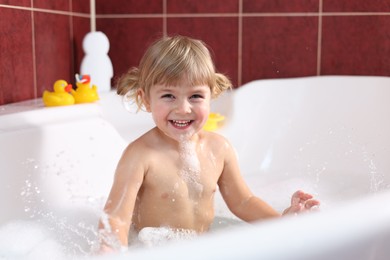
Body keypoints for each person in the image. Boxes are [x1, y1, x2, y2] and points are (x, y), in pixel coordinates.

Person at [98, 35, 319, 252]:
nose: (183, 108)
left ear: (211, 95)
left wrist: (281, 222)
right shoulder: (140, 155)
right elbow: (116, 218)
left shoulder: (219, 149)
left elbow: (243, 201)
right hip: (155, 250)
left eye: (195, 96)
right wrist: (111, 251)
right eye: (168, 96)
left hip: (203, 247)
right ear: (146, 100)